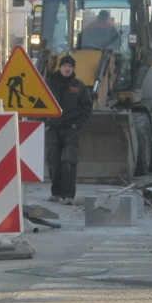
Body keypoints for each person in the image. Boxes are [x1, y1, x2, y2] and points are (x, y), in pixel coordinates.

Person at [45, 54, 93, 204]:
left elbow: (87, 107)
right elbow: (39, 102)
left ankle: (68, 195)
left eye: (70, 67)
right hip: (52, 128)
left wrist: (76, 125)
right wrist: (45, 122)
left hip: (70, 130)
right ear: (60, 67)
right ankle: (56, 192)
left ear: (73, 69)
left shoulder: (78, 86)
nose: (67, 69)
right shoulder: (49, 83)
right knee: (53, 161)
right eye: (65, 66)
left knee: (68, 161)